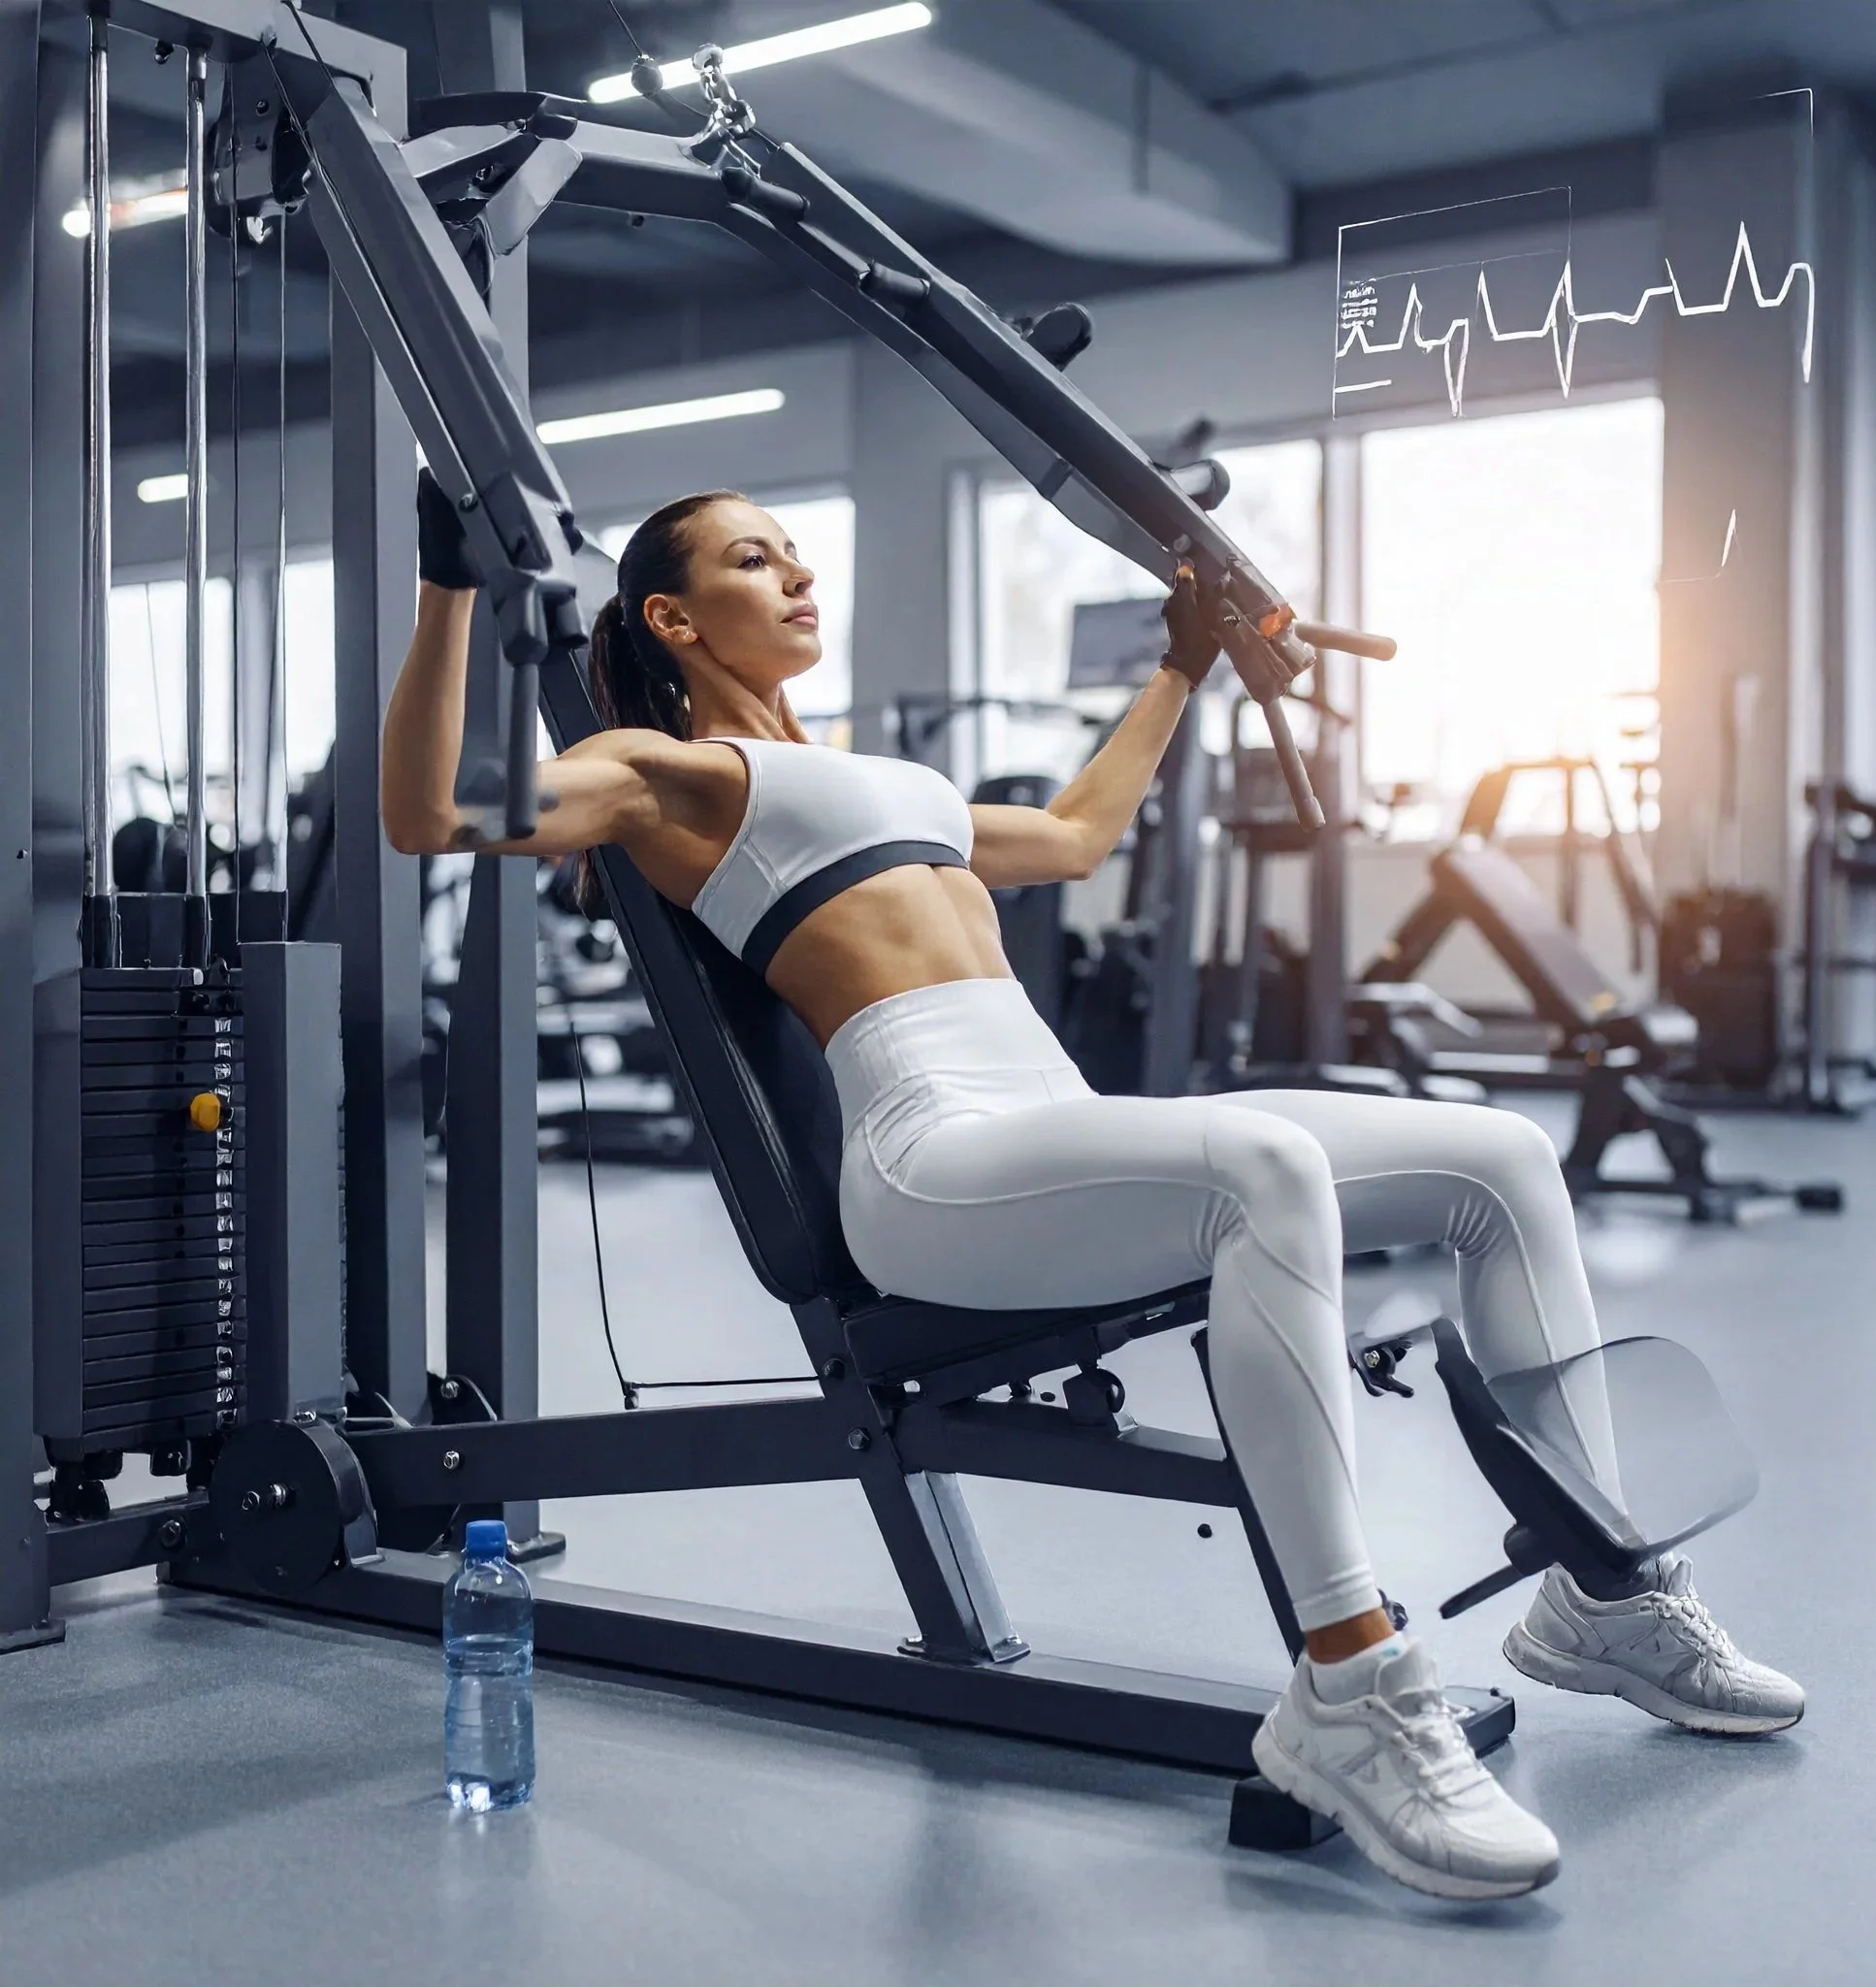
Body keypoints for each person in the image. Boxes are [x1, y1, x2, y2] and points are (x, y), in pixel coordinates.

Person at [383, 477, 1803, 1903]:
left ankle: (1604, 1592)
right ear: (675, 619)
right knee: (1265, 1167)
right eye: (760, 561)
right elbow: (430, 813)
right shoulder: (664, 772)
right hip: (930, 1162)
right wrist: (447, 590)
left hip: (1050, 1126)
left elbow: (1070, 837)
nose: (803, 580)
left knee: (1496, 1155)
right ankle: (1349, 1689)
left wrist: (1182, 660)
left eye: (805, 557)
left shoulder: (899, 784)